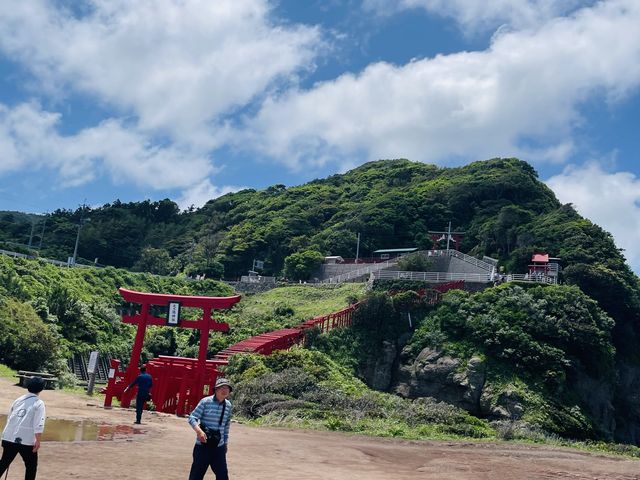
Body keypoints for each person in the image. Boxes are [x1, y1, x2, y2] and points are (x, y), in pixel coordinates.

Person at [0, 376, 46, 480]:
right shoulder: (39, 403)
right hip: (26, 441)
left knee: (3, 462)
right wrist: (38, 440)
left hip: (9, 437)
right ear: (41, 389)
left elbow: (10, 418)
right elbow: (38, 424)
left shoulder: (18, 400)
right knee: (31, 466)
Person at [187, 377, 233, 480]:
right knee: (196, 476)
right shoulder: (205, 401)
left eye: (227, 388)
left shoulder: (228, 405)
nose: (225, 390)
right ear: (216, 389)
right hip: (203, 446)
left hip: (219, 447)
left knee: (223, 476)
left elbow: (226, 426)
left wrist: (225, 443)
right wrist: (199, 431)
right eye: (222, 387)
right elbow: (192, 418)